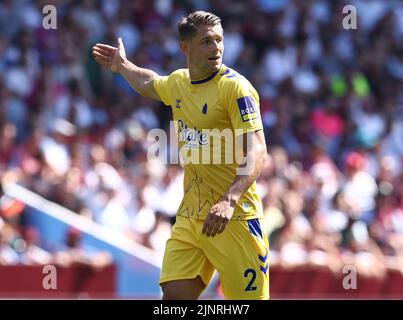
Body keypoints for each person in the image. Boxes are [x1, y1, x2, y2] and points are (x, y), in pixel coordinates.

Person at [92, 11, 269, 300]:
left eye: (219, 40)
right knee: (173, 300)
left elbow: (258, 150)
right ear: (185, 48)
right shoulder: (179, 83)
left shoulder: (235, 88)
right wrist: (123, 67)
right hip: (191, 216)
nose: (216, 48)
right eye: (206, 42)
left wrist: (229, 199)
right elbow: (151, 83)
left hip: (234, 218)